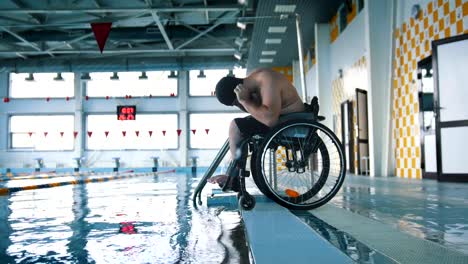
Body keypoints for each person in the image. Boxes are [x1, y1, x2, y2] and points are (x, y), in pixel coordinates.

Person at [208, 68, 313, 191]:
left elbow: (270, 120)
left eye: (236, 103)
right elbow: (258, 111)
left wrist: (244, 100)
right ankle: (233, 175)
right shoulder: (254, 81)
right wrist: (245, 101)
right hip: (283, 119)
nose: (239, 106)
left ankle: (234, 179)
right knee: (238, 128)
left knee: (236, 126)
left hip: (293, 122)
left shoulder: (267, 80)